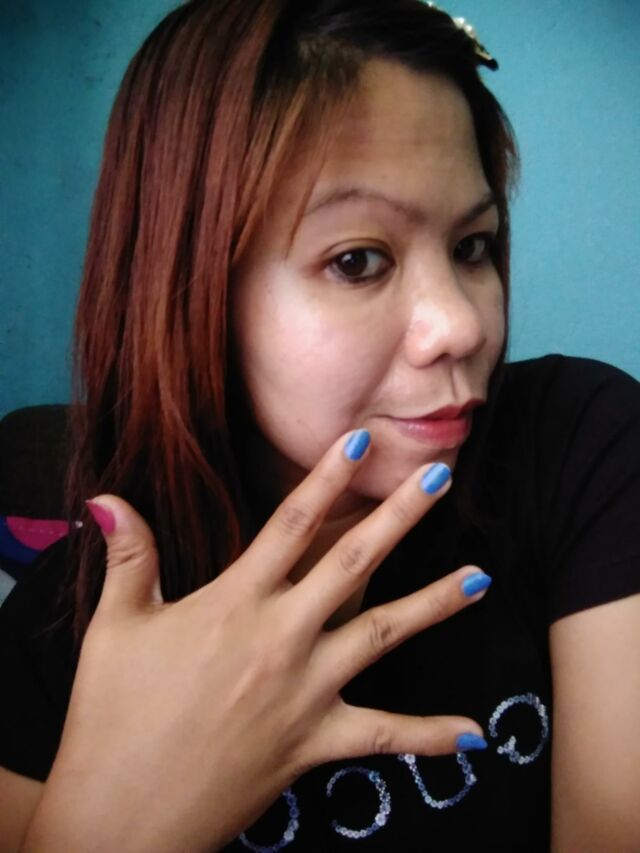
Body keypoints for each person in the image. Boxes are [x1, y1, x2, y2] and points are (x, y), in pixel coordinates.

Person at [1, 0, 639, 850]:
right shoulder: (61, 634)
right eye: (357, 260)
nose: (463, 325)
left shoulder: (580, 446)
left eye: (472, 246)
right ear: (190, 295)